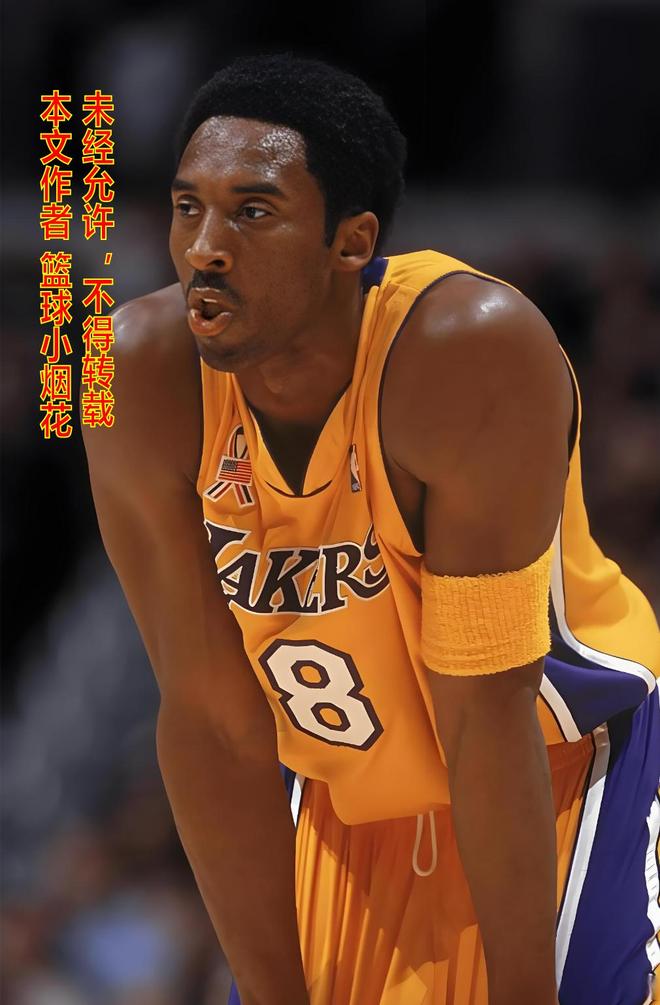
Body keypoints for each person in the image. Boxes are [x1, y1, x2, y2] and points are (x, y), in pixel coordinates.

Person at [82, 54, 660, 1005]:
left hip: (554, 766)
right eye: (188, 208)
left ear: (350, 242)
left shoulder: (465, 347)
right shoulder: (132, 374)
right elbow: (215, 724)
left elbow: (485, 711)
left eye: (253, 211)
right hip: (345, 805)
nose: (204, 248)